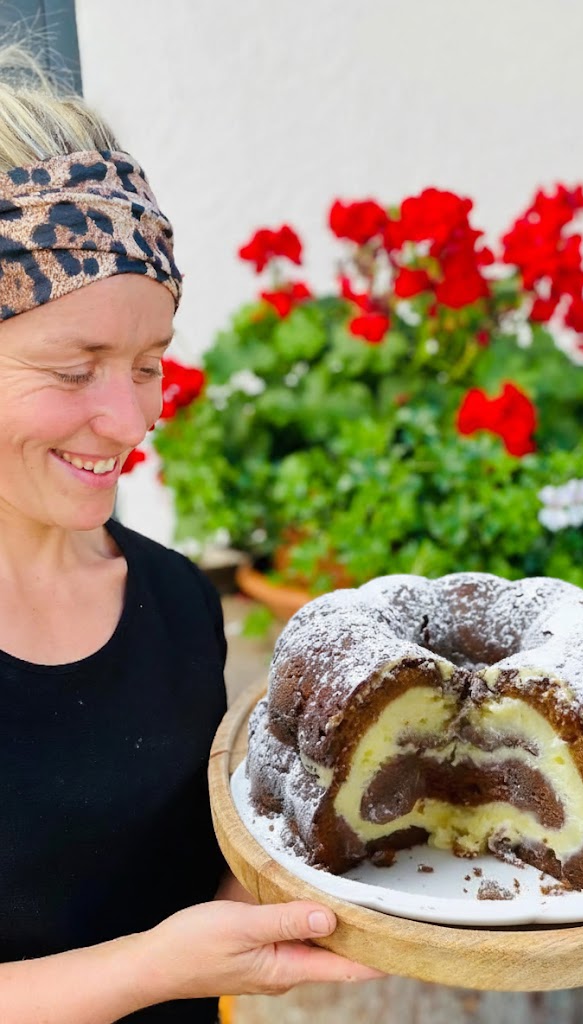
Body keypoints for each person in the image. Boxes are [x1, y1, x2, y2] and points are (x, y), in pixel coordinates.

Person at [0, 44, 385, 1024]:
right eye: (75, 369)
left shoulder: (174, 604)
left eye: (147, 364)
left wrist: (334, 856)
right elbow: (163, 958)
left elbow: (192, 899)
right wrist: (149, 970)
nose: (131, 421)